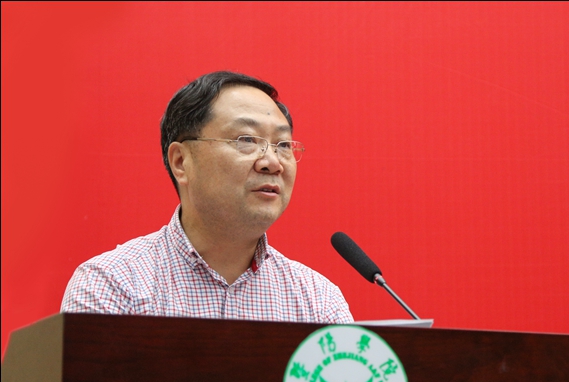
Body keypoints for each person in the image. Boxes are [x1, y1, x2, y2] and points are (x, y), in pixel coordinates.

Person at [61, 71, 353, 324]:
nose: (272, 162)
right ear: (181, 162)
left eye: (283, 144)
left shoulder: (317, 302)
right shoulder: (111, 287)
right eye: (246, 140)